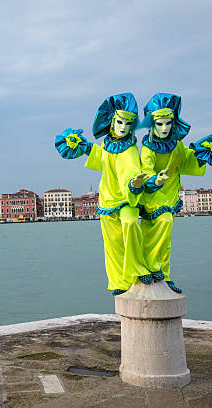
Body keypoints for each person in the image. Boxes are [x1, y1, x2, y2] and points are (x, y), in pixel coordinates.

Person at [55, 93, 152, 295]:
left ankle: (138, 268)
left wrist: (134, 185)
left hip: (127, 199)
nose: (123, 127)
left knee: (130, 223)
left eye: (128, 123)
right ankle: (118, 282)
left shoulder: (131, 150)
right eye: (119, 122)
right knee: (112, 242)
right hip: (107, 200)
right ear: (111, 121)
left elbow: (132, 171)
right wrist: (81, 146)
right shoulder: (107, 146)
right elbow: (99, 157)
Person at [138, 93, 212, 293]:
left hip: (171, 193)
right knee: (156, 229)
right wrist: (155, 179)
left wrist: (205, 153)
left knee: (167, 237)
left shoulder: (177, 145)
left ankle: (164, 273)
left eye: (167, 124)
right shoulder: (147, 148)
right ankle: (149, 267)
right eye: (160, 124)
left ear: (173, 123)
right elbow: (146, 169)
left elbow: (187, 160)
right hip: (153, 195)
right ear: (153, 125)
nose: (164, 128)